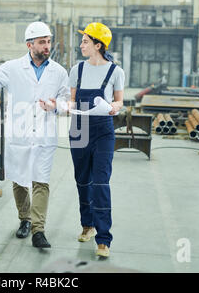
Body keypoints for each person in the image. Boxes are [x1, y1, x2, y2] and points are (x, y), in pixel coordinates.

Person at [0, 21, 70, 249]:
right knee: (20, 180)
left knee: (41, 181)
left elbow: (66, 100)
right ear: (30, 44)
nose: (47, 46)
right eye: (42, 42)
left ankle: (38, 230)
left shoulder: (59, 72)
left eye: (48, 41)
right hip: (19, 135)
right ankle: (25, 219)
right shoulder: (12, 68)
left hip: (44, 136)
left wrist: (55, 105)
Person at [68, 22, 125, 258]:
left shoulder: (115, 71)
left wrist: (112, 107)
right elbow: (71, 101)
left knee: (101, 182)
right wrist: (62, 106)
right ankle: (87, 226)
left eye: (85, 41)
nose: (81, 45)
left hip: (103, 130)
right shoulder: (76, 70)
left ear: (98, 45)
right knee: (83, 180)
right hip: (79, 129)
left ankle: (103, 239)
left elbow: (120, 101)